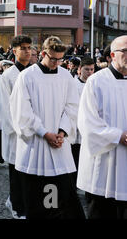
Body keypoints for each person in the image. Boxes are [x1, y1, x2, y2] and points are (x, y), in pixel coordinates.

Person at [10, 36, 85, 219]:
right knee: (36, 199)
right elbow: (22, 111)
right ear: (43, 53)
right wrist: (45, 133)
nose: (56, 63)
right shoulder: (27, 76)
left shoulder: (66, 76)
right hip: (37, 146)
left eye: (60, 59)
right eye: (53, 58)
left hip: (59, 145)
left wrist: (62, 132)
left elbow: (72, 107)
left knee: (63, 198)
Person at [77, 35, 127, 219]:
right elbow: (87, 122)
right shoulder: (96, 81)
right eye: (125, 51)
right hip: (105, 162)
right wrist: (118, 136)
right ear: (112, 55)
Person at [0, 35, 32, 219]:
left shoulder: (35, 72)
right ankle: (17, 206)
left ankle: (23, 201)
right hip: (17, 133)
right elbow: (6, 107)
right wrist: (21, 130)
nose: (27, 51)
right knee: (17, 172)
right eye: (23, 48)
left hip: (33, 131)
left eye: (29, 47)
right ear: (14, 50)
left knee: (29, 173)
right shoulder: (8, 76)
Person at [71, 57, 95, 184]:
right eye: (87, 69)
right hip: (75, 129)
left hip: (90, 130)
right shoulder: (73, 84)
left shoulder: (96, 84)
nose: (90, 72)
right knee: (75, 159)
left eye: (92, 69)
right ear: (79, 69)